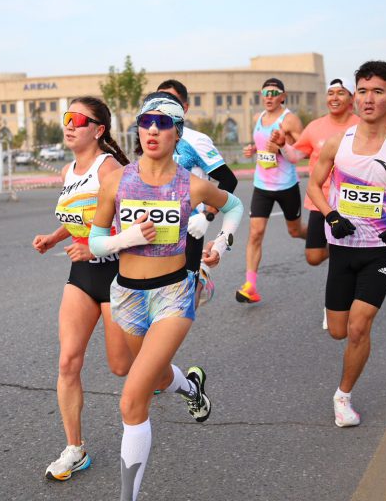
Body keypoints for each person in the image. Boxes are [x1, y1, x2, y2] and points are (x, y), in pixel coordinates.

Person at [88, 92, 244, 500]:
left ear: (178, 133)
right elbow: (96, 242)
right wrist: (127, 238)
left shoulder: (191, 184)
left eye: (163, 123)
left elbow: (234, 206)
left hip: (173, 294)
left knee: (132, 400)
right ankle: (191, 388)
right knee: (156, 377)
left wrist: (220, 242)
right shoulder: (116, 181)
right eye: (146, 122)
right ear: (138, 129)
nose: (153, 130)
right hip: (127, 296)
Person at [307, 60, 386, 427]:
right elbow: (314, 185)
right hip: (342, 247)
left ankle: (343, 397)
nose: (368, 98)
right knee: (338, 330)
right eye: (362, 91)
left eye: (377, 91)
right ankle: (339, 315)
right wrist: (331, 215)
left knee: (359, 327)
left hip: (381, 250)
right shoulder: (338, 143)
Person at [32, 97, 133, 481]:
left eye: (78, 119)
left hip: (117, 274)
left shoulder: (110, 169)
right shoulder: (68, 170)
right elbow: (81, 215)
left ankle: (180, 381)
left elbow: (136, 225)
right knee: (67, 362)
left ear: (99, 129)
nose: (69, 125)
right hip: (82, 276)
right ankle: (75, 449)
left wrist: (95, 247)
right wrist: (55, 237)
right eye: (67, 118)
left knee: (122, 366)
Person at [269, 77, 360, 328]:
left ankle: (335, 306)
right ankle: (345, 254)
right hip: (320, 200)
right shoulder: (315, 127)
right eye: (331, 93)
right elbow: (296, 155)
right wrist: (282, 145)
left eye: (340, 93)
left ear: (351, 98)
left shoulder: (361, 126)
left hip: (351, 202)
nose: (334, 98)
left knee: (339, 259)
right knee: (313, 256)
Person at [156, 79, 239, 306]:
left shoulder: (195, 140)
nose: (163, 105)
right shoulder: (149, 138)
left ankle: (200, 274)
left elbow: (228, 180)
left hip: (189, 226)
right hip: (155, 225)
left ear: (184, 108)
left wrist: (206, 215)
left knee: (183, 303)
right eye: (159, 99)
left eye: (171, 100)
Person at [238, 78, 306, 303]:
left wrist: (281, 147)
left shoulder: (290, 120)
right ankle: (250, 286)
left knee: (295, 231)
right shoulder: (257, 118)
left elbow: (303, 150)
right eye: (265, 92)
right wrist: (253, 149)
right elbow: (262, 146)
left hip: (286, 185)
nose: (269, 97)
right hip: (262, 185)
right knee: (255, 233)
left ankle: (319, 240)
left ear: (282, 96)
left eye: (274, 93)